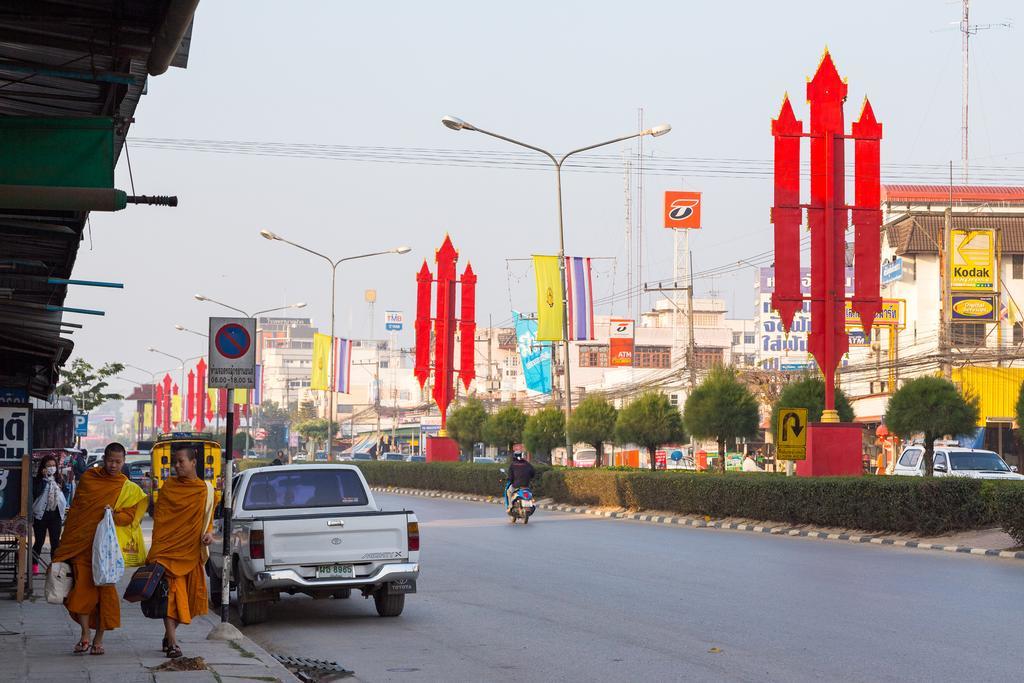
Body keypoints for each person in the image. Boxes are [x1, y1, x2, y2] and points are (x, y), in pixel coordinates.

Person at [52, 442, 146, 655]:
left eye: (118, 462)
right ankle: (85, 635)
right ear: (104, 458)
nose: (114, 465)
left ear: (124, 462)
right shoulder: (89, 478)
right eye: (110, 460)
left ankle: (98, 639)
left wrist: (113, 514)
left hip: (107, 553)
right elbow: (77, 512)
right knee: (82, 592)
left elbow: (130, 517)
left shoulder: (127, 488)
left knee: (106, 596)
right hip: (83, 547)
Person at [147, 445, 216, 659]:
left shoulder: (206, 490)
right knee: (171, 598)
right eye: (174, 462)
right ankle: (174, 645)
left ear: (193, 462)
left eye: (181, 462)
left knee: (191, 601)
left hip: (191, 553)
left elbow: (208, 520)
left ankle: (169, 635)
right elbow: (161, 521)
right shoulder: (168, 488)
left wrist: (209, 535)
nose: (176, 466)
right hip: (167, 553)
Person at [31, 455, 67, 575]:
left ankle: (54, 567)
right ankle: (34, 565)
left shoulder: (59, 479)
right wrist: (44, 477)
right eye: (48, 466)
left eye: (53, 466)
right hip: (41, 515)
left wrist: (60, 487)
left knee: (55, 542)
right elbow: (35, 492)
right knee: (39, 541)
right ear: (43, 467)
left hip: (55, 515)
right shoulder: (37, 481)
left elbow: (65, 493)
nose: (51, 468)